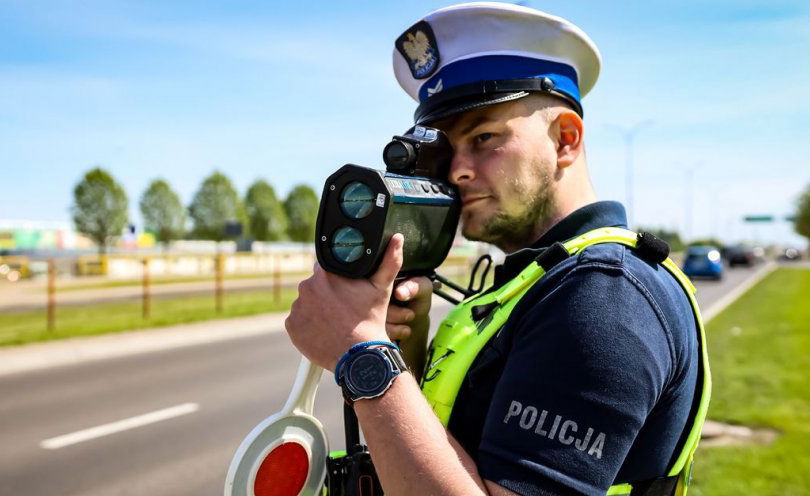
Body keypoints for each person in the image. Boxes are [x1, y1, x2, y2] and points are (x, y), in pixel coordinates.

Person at [285, 3, 709, 495]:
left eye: (484, 137)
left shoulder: (605, 299)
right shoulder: (542, 279)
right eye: (445, 150)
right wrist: (404, 352)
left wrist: (363, 356)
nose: (458, 170)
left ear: (565, 140)